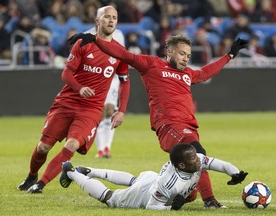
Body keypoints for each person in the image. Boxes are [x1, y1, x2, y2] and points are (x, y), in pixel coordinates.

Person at [67, 32, 247, 207]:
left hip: (188, 126)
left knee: (190, 194)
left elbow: (206, 72)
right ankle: (210, 201)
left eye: (188, 55)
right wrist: (97, 41)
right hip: (168, 124)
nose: (186, 58)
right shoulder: (152, 65)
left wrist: (229, 55)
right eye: (182, 53)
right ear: (169, 52)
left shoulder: (187, 74)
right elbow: (124, 54)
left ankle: (173, 197)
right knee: (197, 152)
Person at [17, 5, 130, 193]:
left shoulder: (119, 52)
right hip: (66, 102)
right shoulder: (83, 43)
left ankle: (41, 183)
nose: (111, 20)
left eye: (114, 18)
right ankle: (32, 176)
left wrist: (122, 110)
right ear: (97, 21)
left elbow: (125, 82)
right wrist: (80, 88)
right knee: (43, 147)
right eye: (107, 17)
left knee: (72, 144)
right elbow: (66, 74)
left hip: (91, 109)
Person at [59, 144, 248, 210]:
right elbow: (152, 206)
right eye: (193, 159)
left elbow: (220, 164)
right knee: (109, 198)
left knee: (134, 178)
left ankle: (90, 171)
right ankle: (71, 172)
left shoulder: (195, 159)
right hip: (145, 193)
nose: (199, 162)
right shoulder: (170, 184)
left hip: (153, 179)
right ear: (182, 165)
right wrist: (172, 208)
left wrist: (234, 172)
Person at [85, 25, 125, 158]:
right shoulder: (87, 34)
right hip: (96, 77)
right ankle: (100, 149)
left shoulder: (118, 34)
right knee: (100, 112)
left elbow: (122, 54)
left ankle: (107, 148)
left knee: (110, 110)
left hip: (112, 76)